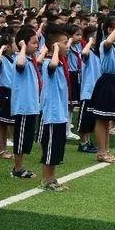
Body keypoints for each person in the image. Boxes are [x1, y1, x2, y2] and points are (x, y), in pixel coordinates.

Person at [87, 18, 115, 163]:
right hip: (107, 81)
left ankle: (106, 150)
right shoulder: (105, 44)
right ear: (110, 30)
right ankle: (101, 151)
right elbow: (108, 42)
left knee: (108, 119)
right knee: (102, 118)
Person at [39, 27, 72, 191]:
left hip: (60, 114)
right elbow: (51, 66)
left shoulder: (60, 64)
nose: (68, 46)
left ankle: (53, 177)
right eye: (65, 43)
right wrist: (57, 49)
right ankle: (46, 180)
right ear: (55, 46)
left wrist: (59, 48)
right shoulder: (48, 63)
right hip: (51, 115)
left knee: (57, 149)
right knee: (50, 149)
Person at [10, 26, 45, 179]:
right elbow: (20, 65)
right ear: (23, 43)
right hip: (23, 106)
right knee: (21, 138)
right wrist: (23, 47)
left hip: (32, 105)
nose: (36, 46)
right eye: (33, 43)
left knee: (27, 139)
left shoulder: (31, 60)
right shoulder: (20, 58)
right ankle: (17, 168)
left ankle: (20, 166)